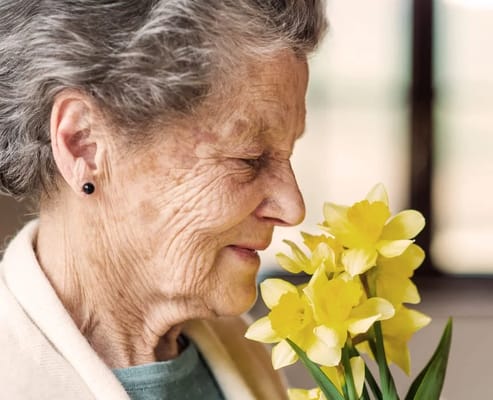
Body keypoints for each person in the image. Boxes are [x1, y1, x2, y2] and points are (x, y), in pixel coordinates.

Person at [0, 1, 327, 399]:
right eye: (249, 158)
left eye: (286, 153)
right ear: (84, 144)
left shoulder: (246, 349)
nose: (293, 208)